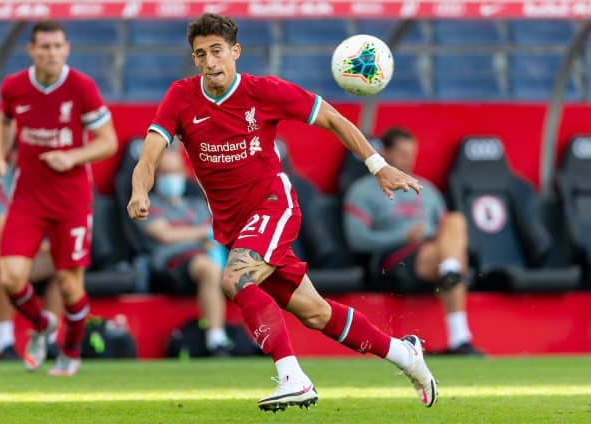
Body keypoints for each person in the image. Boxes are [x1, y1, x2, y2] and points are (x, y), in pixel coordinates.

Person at [127, 13, 437, 411]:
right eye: (200, 54)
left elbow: (331, 118)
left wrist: (379, 166)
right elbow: (150, 151)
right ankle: (405, 354)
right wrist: (140, 190)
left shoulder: (264, 91)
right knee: (315, 312)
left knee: (235, 278)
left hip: (273, 205)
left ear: (235, 52)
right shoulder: (181, 97)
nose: (209, 62)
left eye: (217, 51)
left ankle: (293, 377)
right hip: (235, 226)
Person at [0, 20, 118, 375]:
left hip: (71, 199)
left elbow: (108, 141)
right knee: (11, 276)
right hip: (28, 197)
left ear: (67, 49)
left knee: (68, 284)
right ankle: (43, 324)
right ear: (31, 50)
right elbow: (3, 120)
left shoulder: (81, 86)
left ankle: (70, 352)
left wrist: (72, 157)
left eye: (58, 46)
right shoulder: (15, 86)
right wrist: (0, 159)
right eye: (44, 47)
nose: (52, 53)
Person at [344, 127, 482, 355]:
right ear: (384, 153)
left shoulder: (428, 189)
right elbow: (357, 239)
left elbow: (449, 233)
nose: (409, 160)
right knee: (452, 257)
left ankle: (450, 271)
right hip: (394, 258)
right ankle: (460, 336)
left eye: (412, 154)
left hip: (432, 252)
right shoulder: (362, 191)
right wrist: (402, 237)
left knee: (455, 220)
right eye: (402, 154)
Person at [137, 147, 232, 355]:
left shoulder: (197, 205)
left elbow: (218, 234)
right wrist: (204, 233)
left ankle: (261, 337)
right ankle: (216, 339)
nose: (171, 178)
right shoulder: (146, 204)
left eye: (175, 172)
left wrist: (208, 238)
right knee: (209, 268)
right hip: (169, 262)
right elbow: (165, 235)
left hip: (205, 257)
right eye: (165, 173)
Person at [0, 158, 62, 361]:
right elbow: (3, 235)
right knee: (3, 261)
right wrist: (45, 245)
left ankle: (48, 341)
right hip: (0, 252)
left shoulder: (49, 181)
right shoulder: (0, 178)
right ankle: (4, 343)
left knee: (65, 264)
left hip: (28, 253)